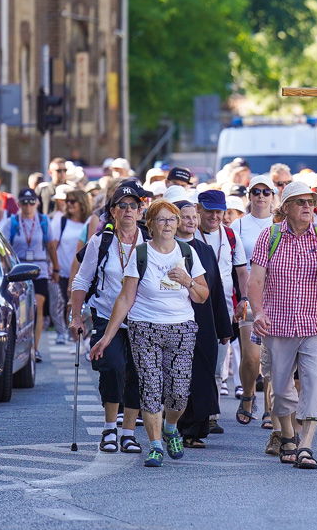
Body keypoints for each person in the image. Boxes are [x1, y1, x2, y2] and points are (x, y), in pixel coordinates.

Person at [90, 199, 209, 467]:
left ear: (178, 224)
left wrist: (188, 281)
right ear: (151, 225)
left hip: (181, 327)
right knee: (151, 388)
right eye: (161, 220)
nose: (167, 224)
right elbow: (125, 298)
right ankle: (155, 445)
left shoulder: (188, 253)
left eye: (171, 219)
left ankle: (170, 428)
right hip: (145, 327)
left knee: (178, 392)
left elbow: (202, 296)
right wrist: (106, 338)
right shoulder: (141, 253)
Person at [247, 182, 317, 469]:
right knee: (280, 389)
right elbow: (255, 281)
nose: (307, 206)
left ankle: (305, 445)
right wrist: (258, 312)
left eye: (310, 201)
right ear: (286, 207)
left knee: (314, 384)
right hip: (278, 325)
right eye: (300, 202)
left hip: (315, 324)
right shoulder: (270, 236)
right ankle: (288, 436)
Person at [70, 185, 147, 455]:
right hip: (105, 315)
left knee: (138, 374)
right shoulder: (101, 241)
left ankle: (128, 433)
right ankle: (109, 428)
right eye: (122, 206)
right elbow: (82, 278)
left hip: (142, 319)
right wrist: (76, 315)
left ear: (140, 211)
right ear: (113, 211)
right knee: (113, 367)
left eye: (133, 206)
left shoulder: (148, 242)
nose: (128, 211)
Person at [174, 200, 233, 448]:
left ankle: (196, 430)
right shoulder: (166, 249)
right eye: (184, 217)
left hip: (205, 321)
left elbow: (216, 290)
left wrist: (224, 328)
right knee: (179, 376)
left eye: (192, 216)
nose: (190, 221)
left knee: (203, 374)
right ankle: (176, 426)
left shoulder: (206, 250)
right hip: (174, 320)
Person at [195, 190, 249, 432]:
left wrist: (244, 299)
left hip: (223, 305)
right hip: (192, 303)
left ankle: (211, 414)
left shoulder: (230, 234)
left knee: (218, 359)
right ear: (199, 210)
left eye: (219, 211)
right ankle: (191, 412)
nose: (215, 216)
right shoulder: (188, 233)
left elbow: (241, 271)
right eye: (210, 211)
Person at [232, 176, 277, 437]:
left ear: (273, 196)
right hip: (249, 296)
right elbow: (237, 267)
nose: (261, 196)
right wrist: (242, 297)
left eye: (266, 192)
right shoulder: (238, 225)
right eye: (256, 192)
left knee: (272, 356)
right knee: (251, 356)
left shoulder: (280, 225)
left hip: (276, 294)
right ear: (249, 196)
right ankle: (248, 393)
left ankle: (270, 409)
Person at [0, 188, 59, 362]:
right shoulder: (11, 222)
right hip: (19, 269)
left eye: (31, 202)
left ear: (37, 203)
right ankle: (22, 345)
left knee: (38, 304)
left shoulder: (43, 221)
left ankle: (35, 348)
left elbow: (51, 246)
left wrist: (56, 268)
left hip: (38, 269)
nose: (28, 206)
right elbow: (3, 249)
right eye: (24, 203)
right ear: (19, 204)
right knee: (21, 307)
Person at [48, 189, 91, 346]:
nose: (69, 204)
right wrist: (55, 268)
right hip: (62, 271)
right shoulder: (61, 221)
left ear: (82, 203)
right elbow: (52, 245)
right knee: (61, 304)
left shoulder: (89, 222)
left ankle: (78, 339)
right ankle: (63, 333)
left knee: (77, 306)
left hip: (81, 273)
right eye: (67, 201)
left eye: (73, 201)